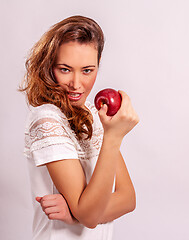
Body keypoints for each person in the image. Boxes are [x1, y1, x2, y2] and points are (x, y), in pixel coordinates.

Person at [20, 15, 139, 239]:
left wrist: (76, 214)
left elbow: (128, 198)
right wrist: (113, 138)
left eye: (87, 70)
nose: (76, 84)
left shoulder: (95, 116)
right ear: (49, 67)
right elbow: (90, 216)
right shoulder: (47, 119)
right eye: (65, 69)